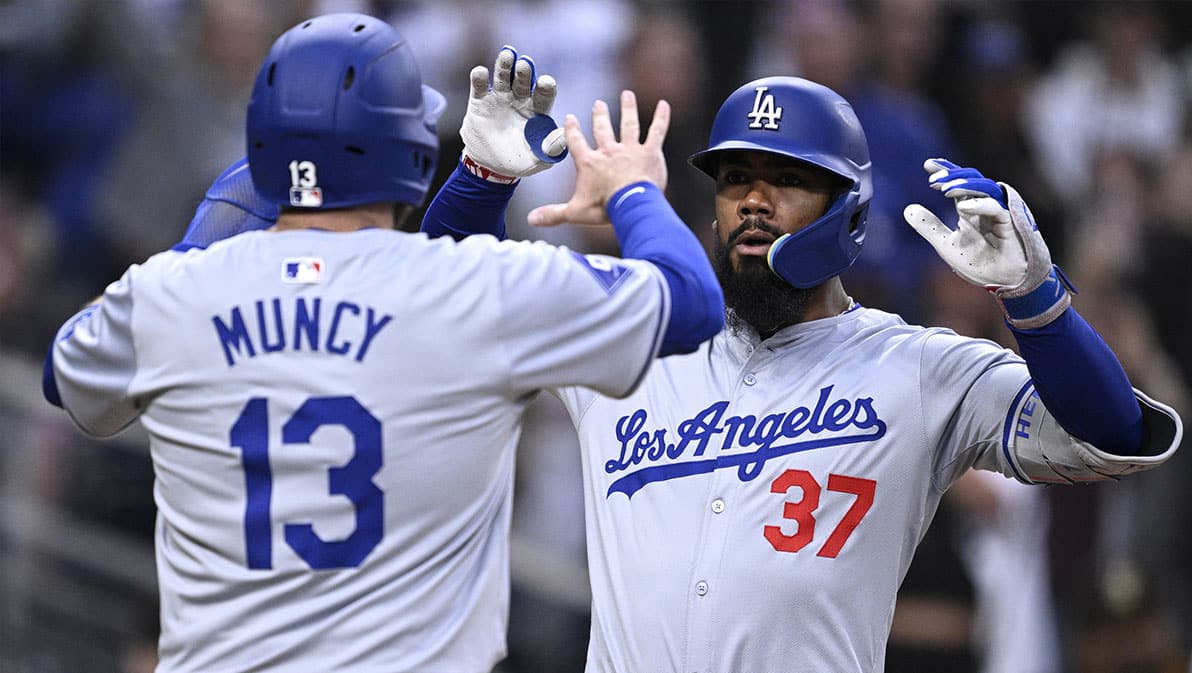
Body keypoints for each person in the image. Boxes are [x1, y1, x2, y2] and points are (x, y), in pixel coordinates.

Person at [424, 76, 1184, 673]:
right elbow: (440, 302)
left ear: (848, 208)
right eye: (734, 179)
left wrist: (1037, 304)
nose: (753, 200)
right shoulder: (633, 328)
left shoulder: (917, 367)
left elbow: (1108, 430)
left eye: (787, 177)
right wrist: (482, 178)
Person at [40, 13, 724, 673]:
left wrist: (200, 241)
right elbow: (690, 302)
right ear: (409, 151)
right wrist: (633, 190)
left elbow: (67, 376)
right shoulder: (475, 290)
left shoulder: (170, 295)